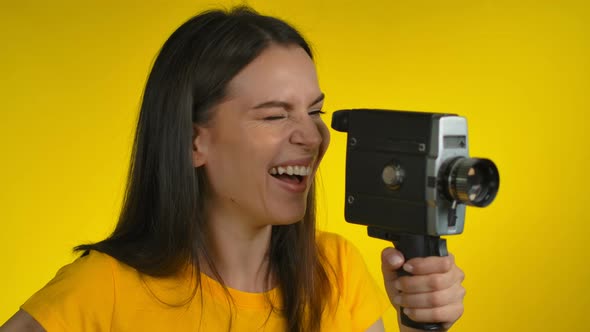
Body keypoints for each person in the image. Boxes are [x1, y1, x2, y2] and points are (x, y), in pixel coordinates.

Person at [1, 6, 465, 332]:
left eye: (316, 112)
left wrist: (418, 323)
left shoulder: (336, 270)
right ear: (192, 141)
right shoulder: (103, 289)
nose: (312, 137)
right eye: (275, 114)